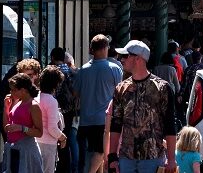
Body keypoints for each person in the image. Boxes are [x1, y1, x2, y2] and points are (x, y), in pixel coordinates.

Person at [108, 40, 177, 173]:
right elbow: (116, 123)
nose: (122, 59)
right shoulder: (120, 88)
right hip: (126, 158)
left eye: (126, 56)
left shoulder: (162, 88)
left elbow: (170, 125)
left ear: (138, 59)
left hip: (153, 158)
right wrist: (112, 156)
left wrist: (171, 158)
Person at [75, 34, 124, 173]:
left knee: (93, 153)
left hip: (85, 120)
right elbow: (120, 94)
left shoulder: (82, 70)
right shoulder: (114, 68)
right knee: (101, 151)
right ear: (105, 48)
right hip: (104, 119)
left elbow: (75, 94)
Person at [4, 73, 45, 173]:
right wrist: (6, 108)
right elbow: (6, 127)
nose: (11, 92)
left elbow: (39, 132)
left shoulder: (34, 105)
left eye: (14, 90)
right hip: (13, 150)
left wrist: (22, 128)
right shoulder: (17, 103)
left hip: (26, 151)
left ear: (23, 90)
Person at [36, 65, 68, 173]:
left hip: (35, 141)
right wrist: (62, 137)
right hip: (48, 144)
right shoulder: (51, 101)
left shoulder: (36, 98)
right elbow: (52, 128)